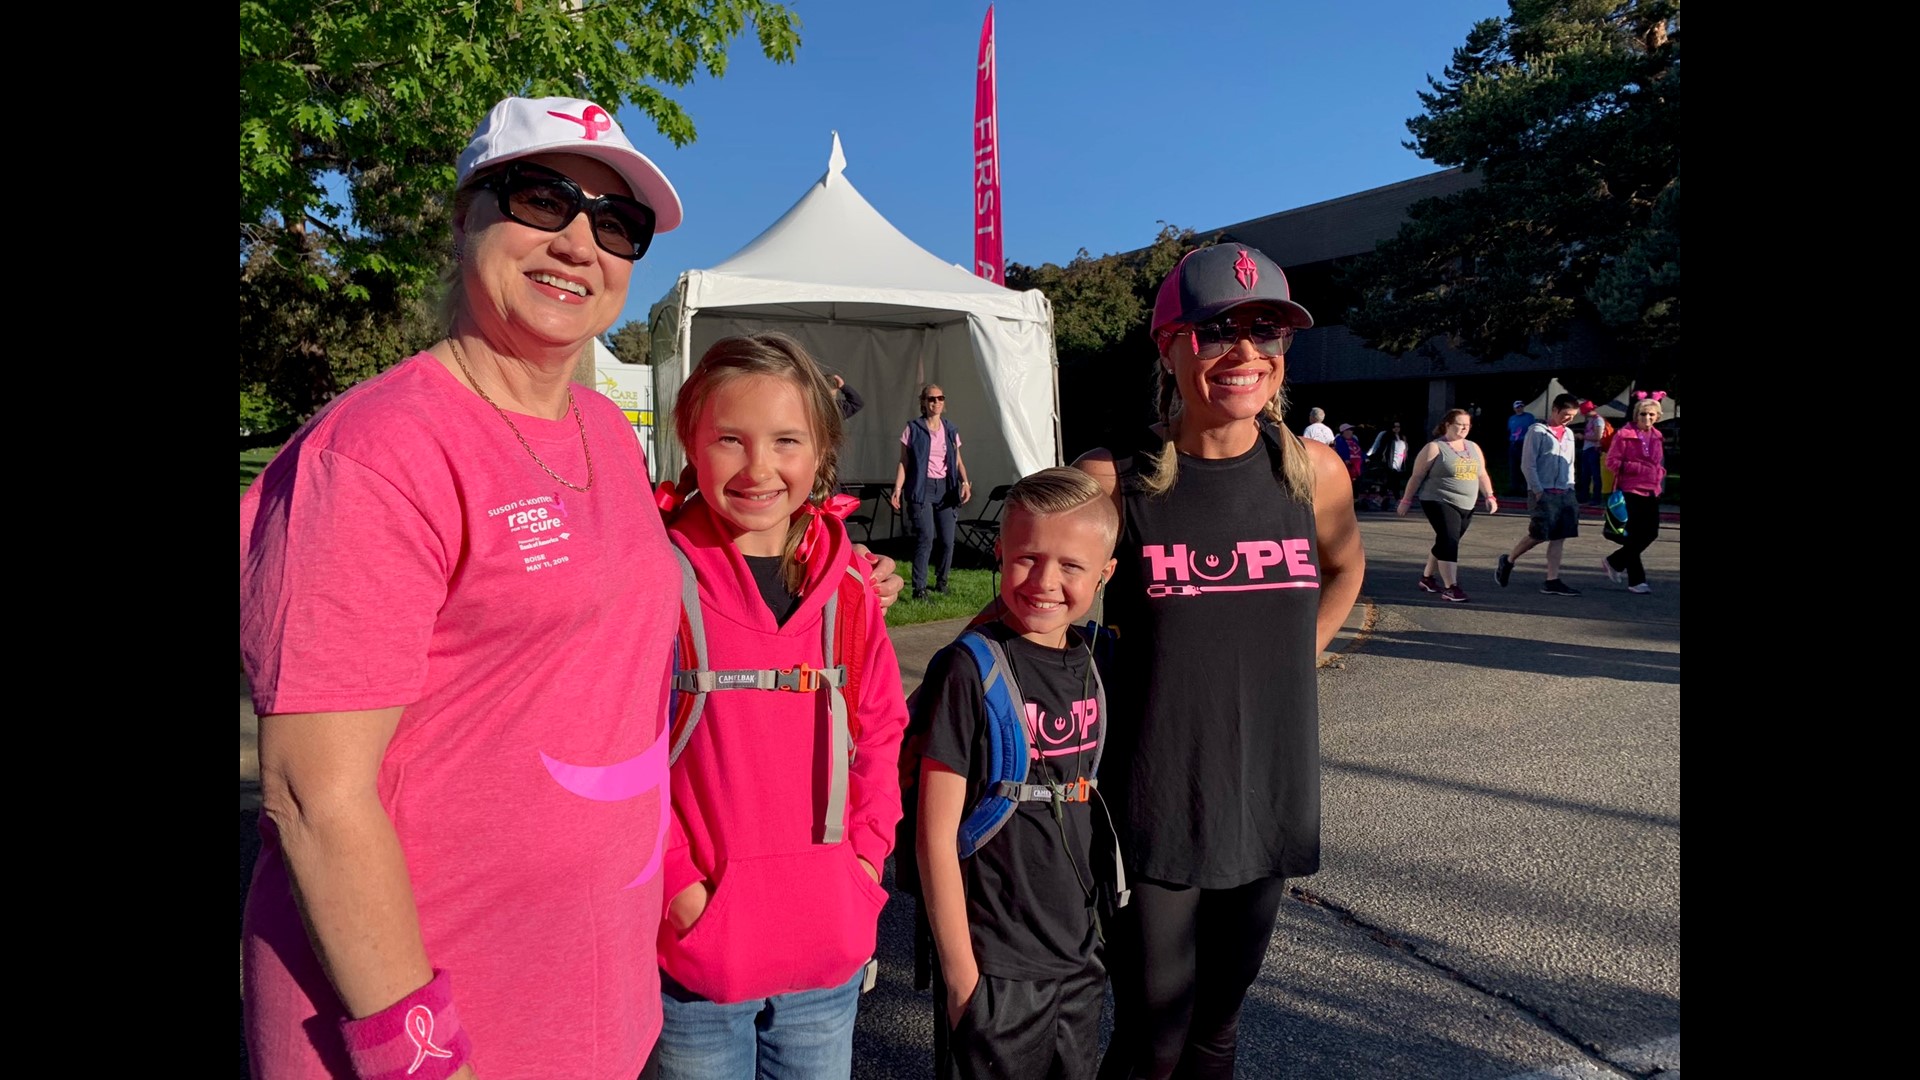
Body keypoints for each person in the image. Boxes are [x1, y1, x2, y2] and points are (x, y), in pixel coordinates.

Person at [239, 97, 900, 1080]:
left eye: (616, 222)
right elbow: (311, 794)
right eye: (541, 199)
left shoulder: (600, 432)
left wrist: (833, 561)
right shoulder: (377, 454)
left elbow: (689, 571)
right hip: (418, 1032)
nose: (579, 241)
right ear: (464, 216)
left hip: (596, 1009)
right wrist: (418, 1055)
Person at [1074, 243, 1364, 1080]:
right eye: (1215, 332)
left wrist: (1296, 654)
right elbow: (1032, 593)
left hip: (1269, 796)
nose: (1243, 352)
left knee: (1217, 1033)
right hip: (1154, 801)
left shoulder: (1315, 473)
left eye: (1264, 331)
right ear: (1168, 345)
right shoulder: (1113, 479)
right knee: (1153, 1036)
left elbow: (1346, 570)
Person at [652, 333, 909, 1078]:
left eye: (786, 440)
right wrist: (678, 891)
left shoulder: (851, 585)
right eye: (730, 440)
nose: (759, 468)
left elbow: (883, 728)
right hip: (696, 962)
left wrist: (865, 861)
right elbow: (618, 753)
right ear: (688, 439)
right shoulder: (653, 579)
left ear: (821, 448)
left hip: (825, 950)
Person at [913, 467, 1122, 1080]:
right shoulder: (967, 669)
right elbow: (935, 833)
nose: (1045, 582)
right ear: (1000, 553)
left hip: (1079, 962)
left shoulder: (1095, 659)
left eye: (1071, 566)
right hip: (994, 969)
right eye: (1027, 558)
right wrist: (961, 979)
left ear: (1104, 574)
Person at [1397, 409, 1496, 602]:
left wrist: (1490, 496)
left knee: (1447, 541)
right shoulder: (1434, 447)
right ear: (1447, 425)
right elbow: (1417, 476)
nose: (1464, 428)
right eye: (1459, 424)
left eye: (1467, 425)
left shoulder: (1473, 447)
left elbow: (1481, 473)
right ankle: (1451, 587)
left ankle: (1426, 578)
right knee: (1449, 541)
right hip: (1438, 500)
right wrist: (1406, 500)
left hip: (1466, 503)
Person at [1496, 392, 1584, 596]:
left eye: (1572, 416)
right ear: (1554, 410)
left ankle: (1552, 579)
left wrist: (1571, 486)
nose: (1569, 419)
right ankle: (1508, 560)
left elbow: (1570, 462)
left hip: (1565, 491)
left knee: (1560, 536)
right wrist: (1537, 490)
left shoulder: (1569, 434)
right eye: (1565, 414)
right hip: (1543, 491)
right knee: (1538, 534)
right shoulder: (1537, 432)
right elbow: (1528, 463)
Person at [892, 384, 974, 598]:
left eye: (940, 398)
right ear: (923, 403)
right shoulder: (913, 428)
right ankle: (919, 588)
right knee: (926, 537)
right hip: (921, 487)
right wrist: (898, 488)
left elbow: (958, 462)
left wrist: (965, 483)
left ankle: (941, 581)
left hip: (946, 489)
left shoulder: (951, 430)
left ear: (944, 402)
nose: (936, 402)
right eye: (931, 399)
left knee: (947, 540)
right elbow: (904, 461)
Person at [1601, 392, 1668, 594]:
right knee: (1635, 536)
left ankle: (1614, 561)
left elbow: (1657, 463)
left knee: (1650, 533)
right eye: (1643, 414)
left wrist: (1658, 475)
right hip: (1630, 490)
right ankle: (1636, 581)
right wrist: (1639, 468)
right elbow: (1611, 462)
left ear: (1657, 416)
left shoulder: (1657, 435)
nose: (1647, 419)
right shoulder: (1624, 435)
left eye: (1651, 415)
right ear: (1636, 415)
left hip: (1651, 490)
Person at [1575, 401, 1613, 505]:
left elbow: (1598, 437)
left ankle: (1596, 498)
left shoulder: (1598, 420)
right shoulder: (1592, 420)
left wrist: (1582, 437)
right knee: (1585, 474)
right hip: (1588, 449)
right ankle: (1584, 496)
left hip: (1594, 449)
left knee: (1595, 475)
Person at [1506, 399, 1537, 495]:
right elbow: (1510, 430)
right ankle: (1514, 488)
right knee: (1513, 467)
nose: (1519, 409)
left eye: (1521, 407)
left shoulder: (1529, 417)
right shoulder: (1512, 418)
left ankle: (1525, 488)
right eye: (1517, 407)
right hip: (1514, 444)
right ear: (1514, 408)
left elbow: (1533, 428)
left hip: (1524, 443)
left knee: (1525, 466)